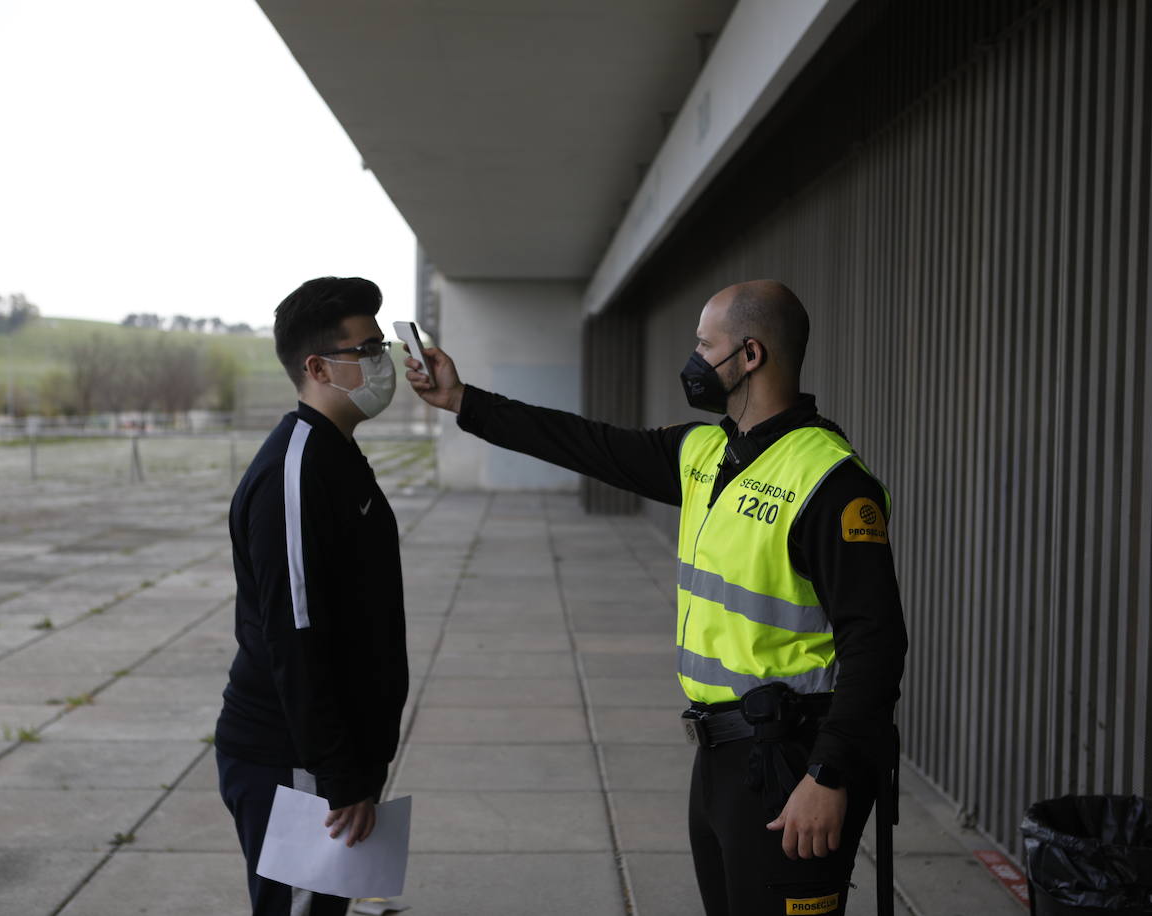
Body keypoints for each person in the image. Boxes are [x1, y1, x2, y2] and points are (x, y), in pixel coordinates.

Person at [404, 280, 906, 916]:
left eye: (705, 344)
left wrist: (828, 775)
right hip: (722, 754)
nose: (693, 358)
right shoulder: (705, 450)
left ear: (749, 355)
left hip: (794, 760)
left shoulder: (829, 481)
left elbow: (877, 643)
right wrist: (462, 400)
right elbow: (582, 441)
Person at [215, 277, 409, 916]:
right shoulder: (295, 470)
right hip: (294, 759)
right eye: (369, 350)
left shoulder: (336, 454)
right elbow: (295, 633)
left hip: (329, 754)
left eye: (382, 346)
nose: (384, 363)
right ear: (318, 366)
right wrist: (338, 776)